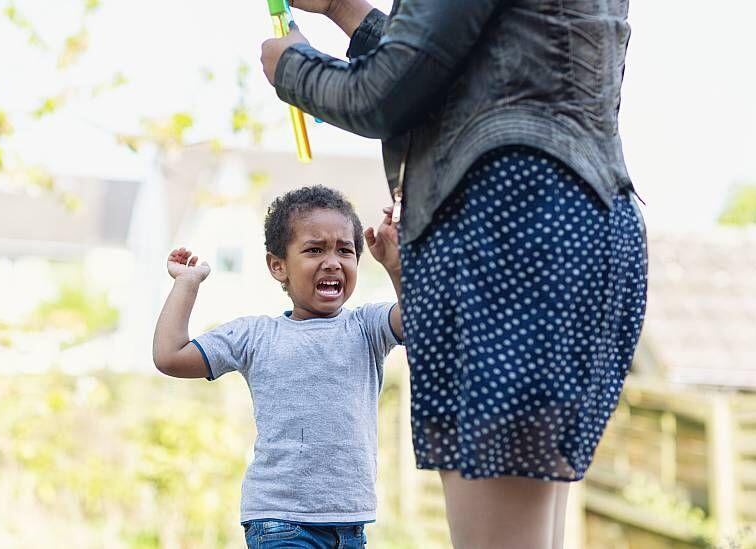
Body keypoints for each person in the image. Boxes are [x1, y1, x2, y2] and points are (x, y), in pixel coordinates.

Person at [260, 2, 648, 547]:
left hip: (508, 228)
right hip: (570, 220)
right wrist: (346, 11)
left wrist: (289, 67)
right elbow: (466, 69)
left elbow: (386, 93)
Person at [152, 185, 404, 548]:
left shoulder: (367, 326)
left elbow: (418, 323)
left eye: (344, 251)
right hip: (281, 522)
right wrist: (187, 284)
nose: (332, 262)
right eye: (315, 249)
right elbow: (170, 356)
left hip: (350, 525)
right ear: (278, 266)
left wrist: (396, 266)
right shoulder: (256, 335)